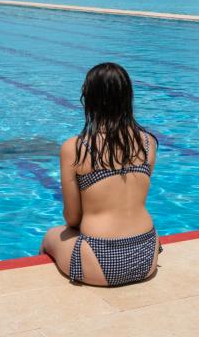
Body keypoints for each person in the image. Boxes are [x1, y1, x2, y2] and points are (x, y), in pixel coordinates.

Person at [42, 62, 160, 286]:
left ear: (89, 99)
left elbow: (73, 218)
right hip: (147, 252)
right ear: (127, 97)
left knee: (51, 236)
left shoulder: (76, 148)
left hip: (100, 256)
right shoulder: (148, 143)